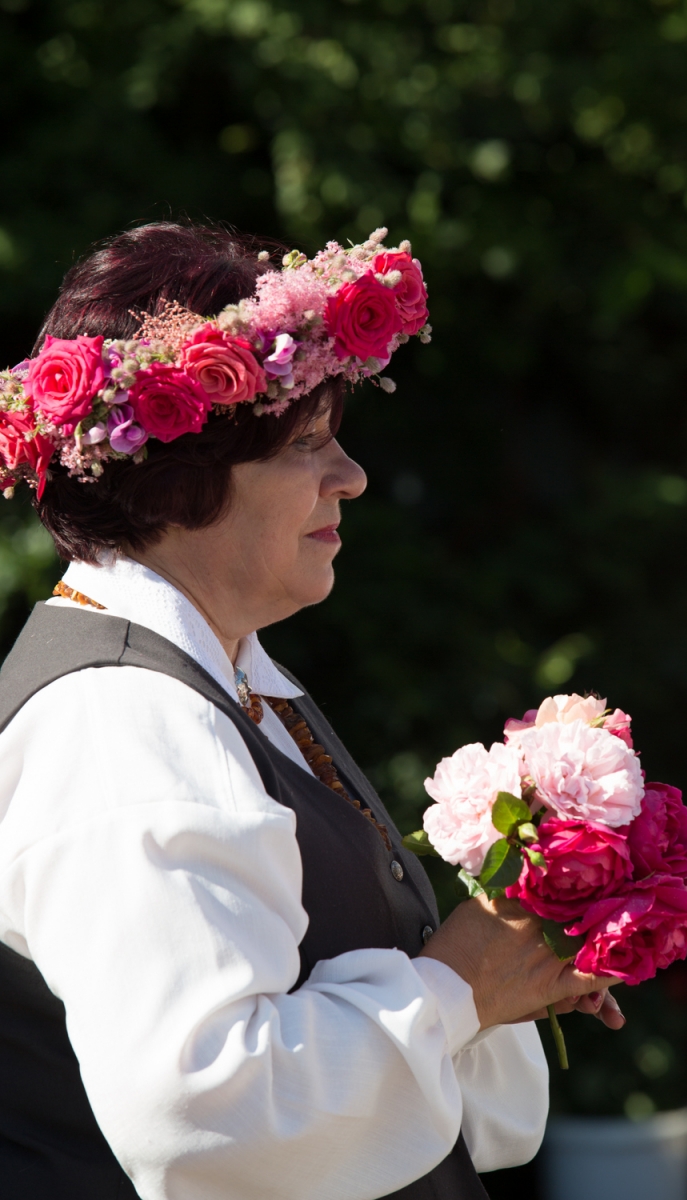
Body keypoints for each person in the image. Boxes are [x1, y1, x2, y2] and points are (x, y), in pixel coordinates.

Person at [0, 221, 624, 1200]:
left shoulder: (225, 681)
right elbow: (200, 1113)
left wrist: (503, 967)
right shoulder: (119, 724)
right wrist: (453, 989)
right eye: (305, 443)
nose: (351, 477)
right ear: (178, 479)